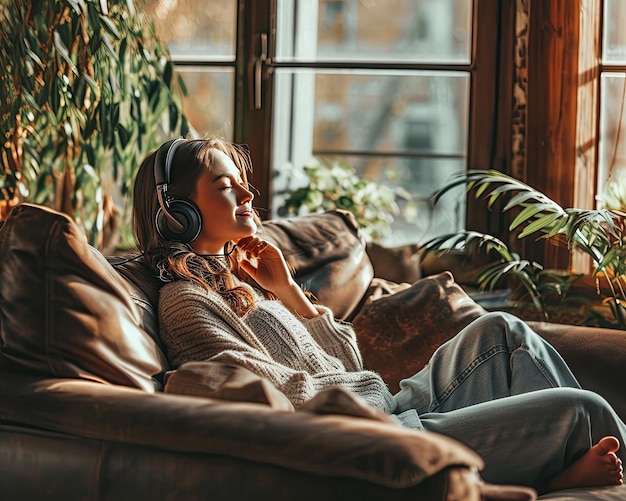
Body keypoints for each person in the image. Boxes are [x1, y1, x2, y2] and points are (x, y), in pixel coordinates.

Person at [132, 136, 625, 494]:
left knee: (502, 334)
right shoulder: (185, 302)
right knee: (583, 410)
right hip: (376, 433)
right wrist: (367, 407)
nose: (247, 195)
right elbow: (271, 401)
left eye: (243, 183)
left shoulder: (248, 285)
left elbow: (350, 360)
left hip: (389, 405)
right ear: (179, 212)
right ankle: (555, 472)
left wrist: (288, 292)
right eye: (225, 186)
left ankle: (547, 470)